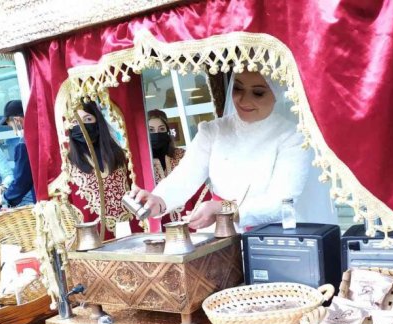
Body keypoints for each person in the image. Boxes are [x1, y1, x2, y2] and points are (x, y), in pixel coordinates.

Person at [131, 71, 315, 231]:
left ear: (278, 93)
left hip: (273, 236)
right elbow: (185, 176)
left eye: (258, 93)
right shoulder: (213, 130)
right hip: (220, 233)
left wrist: (223, 209)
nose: (244, 100)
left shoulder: (294, 136)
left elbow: (281, 202)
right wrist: (158, 200)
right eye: (238, 88)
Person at [0, 100, 36, 208]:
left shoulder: (24, 144)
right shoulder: (42, 133)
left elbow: (22, 181)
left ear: (17, 120)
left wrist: (5, 198)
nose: (13, 130)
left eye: (11, 126)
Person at [67, 101, 127, 176]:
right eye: (75, 121)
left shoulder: (118, 153)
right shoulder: (68, 162)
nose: (82, 127)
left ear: (98, 121)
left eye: (88, 119)